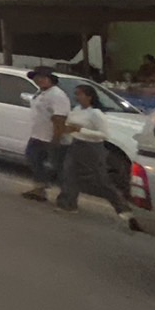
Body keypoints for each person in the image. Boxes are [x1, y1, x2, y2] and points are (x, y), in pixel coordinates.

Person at [55, 83, 140, 229]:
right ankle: (67, 203)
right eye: (76, 94)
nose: (77, 97)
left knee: (100, 179)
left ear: (89, 97)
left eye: (80, 94)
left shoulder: (95, 114)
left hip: (91, 148)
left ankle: (123, 209)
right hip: (76, 144)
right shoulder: (77, 110)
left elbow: (103, 134)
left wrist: (81, 130)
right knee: (69, 173)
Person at [21, 67, 71, 202]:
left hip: (51, 138)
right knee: (34, 159)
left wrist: (56, 138)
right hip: (38, 135)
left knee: (58, 168)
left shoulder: (57, 95)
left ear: (50, 79)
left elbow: (60, 118)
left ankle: (67, 197)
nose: (39, 80)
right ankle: (40, 189)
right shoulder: (41, 93)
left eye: (42, 78)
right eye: (36, 78)